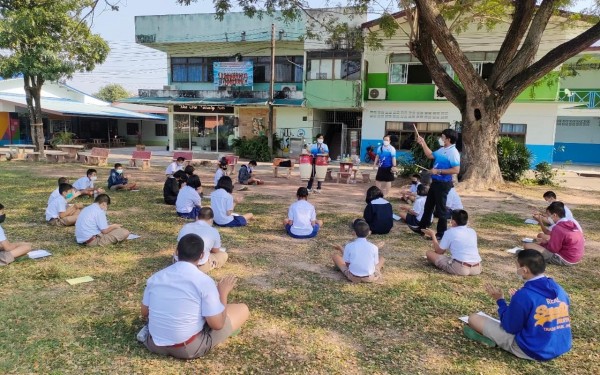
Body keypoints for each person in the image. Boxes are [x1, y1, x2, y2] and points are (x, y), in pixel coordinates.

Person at [140, 234, 250, 360]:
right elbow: (218, 324)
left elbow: (144, 312)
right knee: (242, 309)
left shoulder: (156, 278)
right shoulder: (204, 281)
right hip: (187, 348)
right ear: (202, 256)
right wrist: (223, 293)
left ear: (176, 251)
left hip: (153, 343)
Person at [466, 249, 572, 361]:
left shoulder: (524, 294)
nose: (516, 270)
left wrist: (500, 301)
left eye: (517, 266)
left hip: (532, 350)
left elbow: (510, 327)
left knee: (474, 318)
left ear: (524, 270)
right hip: (561, 345)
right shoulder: (559, 289)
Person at [410, 128, 461, 240]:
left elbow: (456, 170)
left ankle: (441, 234)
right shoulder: (442, 149)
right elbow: (430, 155)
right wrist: (423, 143)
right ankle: (422, 228)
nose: (441, 139)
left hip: (443, 184)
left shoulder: (453, 152)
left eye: (442, 137)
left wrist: (438, 171)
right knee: (428, 206)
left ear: (448, 139)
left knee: (441, 209)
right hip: (435, 182)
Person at [523, 202, 584, 266]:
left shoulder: (558, 228)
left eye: (549, 215)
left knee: (527, 245)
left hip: (565, 259)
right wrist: (546, 242)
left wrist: (542, 244)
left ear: (554, 215)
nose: (548, 218)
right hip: (575, 258)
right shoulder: (570, 223)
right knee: (539, 242)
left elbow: (552, 249)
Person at [423, 209, 482, 276]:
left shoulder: (450, 232)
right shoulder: (472, 231)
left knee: (429, 253)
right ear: (466, 221)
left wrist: (433, 235)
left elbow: (439, 251)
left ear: (453, 221)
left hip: (460, 268)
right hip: (477, 268)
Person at [176, 207, 228, 272]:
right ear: (211, 220)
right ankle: (209, 264)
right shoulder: (213, 231)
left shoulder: (186, 226)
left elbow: (179, 245)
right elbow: (216, 251)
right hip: (198, 265)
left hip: (178, 262)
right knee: (223, 255)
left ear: (197, 217)